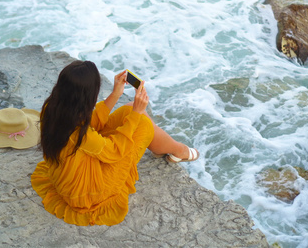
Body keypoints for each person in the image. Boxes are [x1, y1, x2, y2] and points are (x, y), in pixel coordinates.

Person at [31, 60, 199, 226]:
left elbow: (91, 124)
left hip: (73, 170)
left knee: (129, 107)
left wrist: (116, 94)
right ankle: (178, 150)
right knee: (143, 123)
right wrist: (136, 114)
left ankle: (170, 148)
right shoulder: (79, 134)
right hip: (86, 193)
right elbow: (114, 151)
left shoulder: (53, 108)